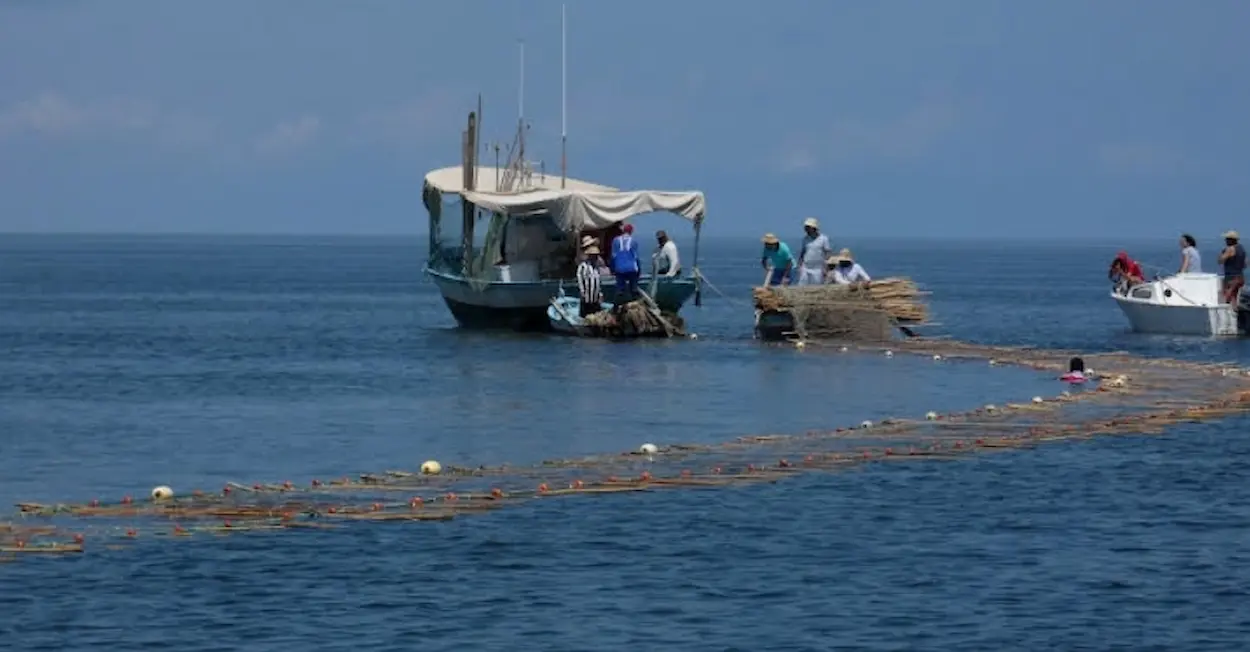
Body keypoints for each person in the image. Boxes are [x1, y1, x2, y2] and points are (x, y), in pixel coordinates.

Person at [796, 217, 833, 286]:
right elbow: (803, 252)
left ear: (813, 228)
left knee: (816, 286)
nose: (805, 229)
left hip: (818, 268)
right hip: (806, 266)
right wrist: (799, 265)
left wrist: (826, 267)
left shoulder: (823, 239)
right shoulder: (805, 239)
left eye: (808, 227)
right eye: (805, 227)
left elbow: (828, 253)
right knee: (801, 285)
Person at [610, 223, 642, 300]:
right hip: (632, 268)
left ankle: (618, 306)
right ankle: (634, 305)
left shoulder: (615, 240)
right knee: (634, 289)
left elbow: (613, 256)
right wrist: (639, 270)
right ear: (631, 231)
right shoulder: (634, 241)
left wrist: (612, 269)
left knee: (620, 290)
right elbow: (636, 257)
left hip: (619, 268)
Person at [576, 241, 604, 318]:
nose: (595, 257)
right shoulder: (583, 266)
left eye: (596, 255)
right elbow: (580, 280)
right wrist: (582, 292)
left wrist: (600, 293)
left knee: (597, 315)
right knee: (585, 315)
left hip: (595, 297)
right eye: (593, 255)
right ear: (589, 256)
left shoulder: (596, 267)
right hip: (586, 297)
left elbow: (598, 281)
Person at [1218, 230, 1246, 304]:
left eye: (1227, 239)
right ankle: (1235, 313)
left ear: (1231, 240)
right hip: (1240, 276)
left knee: (1227, 297)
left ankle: (1227, 314)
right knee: (1234, 298)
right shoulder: (1241, 249)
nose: (1225, 240)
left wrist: (1222, 252)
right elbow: (1245, 264)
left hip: (1231, 277)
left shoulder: (1230, 249)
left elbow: (1220, 260)